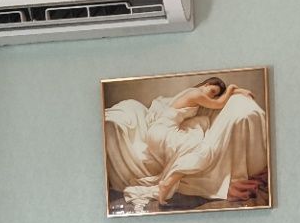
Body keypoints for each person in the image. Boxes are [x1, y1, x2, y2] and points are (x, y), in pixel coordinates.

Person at [104, 76, 269, 211]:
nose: (211, 96)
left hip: (159, 131)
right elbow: (219, 104)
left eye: (214, 94)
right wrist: (233, 88)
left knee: (198, 137)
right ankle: (167, 183)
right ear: (205, 84)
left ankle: (168, 182)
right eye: (212, 91)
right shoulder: (195, 94)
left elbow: (218, 102)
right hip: (162, 132)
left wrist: (234, 92)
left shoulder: (192, 94)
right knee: (202, 151)